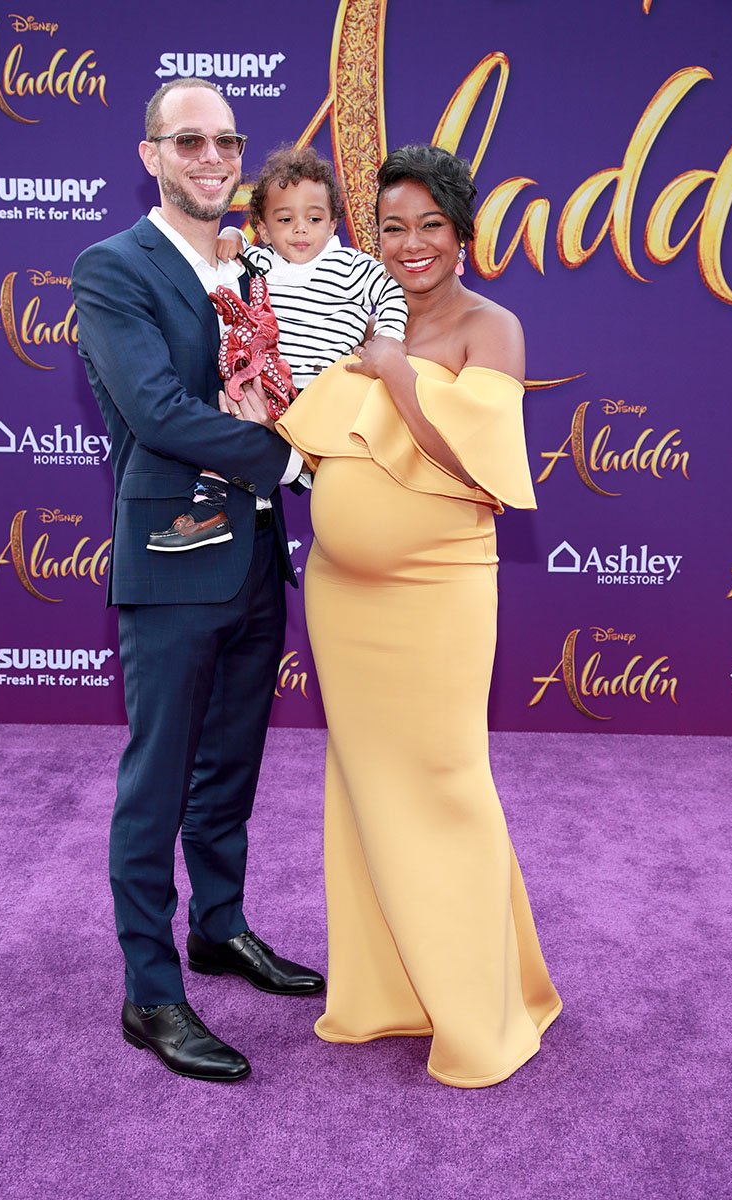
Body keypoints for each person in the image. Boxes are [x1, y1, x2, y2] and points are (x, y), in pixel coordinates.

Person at [235, 143, 562, 1087]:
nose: (410, 245)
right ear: (366, 236)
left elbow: (477, 461)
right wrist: (262, 393)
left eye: (430, 226)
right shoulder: (347, 318)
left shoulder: (489, 328)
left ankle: (481, 1011)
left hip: (439, 595)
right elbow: (304, 429)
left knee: (448, 781)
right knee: (365, 787)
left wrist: (396, 373)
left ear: (462, 235)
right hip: (342, 595)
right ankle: (386, 995)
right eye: (391, 227)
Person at [71, 77, 324, 1084]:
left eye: (224, 141)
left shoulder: (247, 261)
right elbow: (161, 412)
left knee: (229, 767)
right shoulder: (112, 267)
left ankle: (220, 928)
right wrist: (301, 457)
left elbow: (265, 382)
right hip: (174, 558)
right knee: (158, 778)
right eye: (189, 142)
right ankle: (151, 989)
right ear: (150, 156)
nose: (212, 158)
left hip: (257, 555)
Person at [147, 144, 408, 552]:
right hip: (269, 388)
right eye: (285, 220)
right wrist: (231, 234)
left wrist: (389, 341)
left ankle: (371, 532)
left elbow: (392, 295)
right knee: (229, 419)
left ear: (333, 223)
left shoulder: (356, 267)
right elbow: (223, 258)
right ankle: (213, 507)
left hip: (329, 395)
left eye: (314, 218)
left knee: (347, 479)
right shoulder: (259, 262)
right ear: (264, 229)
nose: (300, 229)